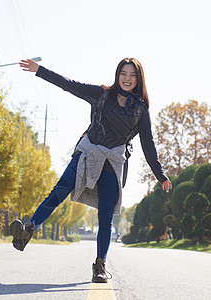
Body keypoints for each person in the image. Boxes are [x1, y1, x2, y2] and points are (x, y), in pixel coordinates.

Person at [10, 57, 172, 283]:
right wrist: (39, 71)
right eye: (123, 74)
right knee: (59, 191)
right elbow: (69, 84)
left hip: (113, 161)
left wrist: (160, 173)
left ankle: (100, 266)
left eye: (132, 75)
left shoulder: (140, 110)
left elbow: (148, 143)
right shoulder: (102, 94)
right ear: (118, 75)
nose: (127, 79)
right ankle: (28, 229)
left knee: (105, 217)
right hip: (87, 153)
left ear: (138, 79)